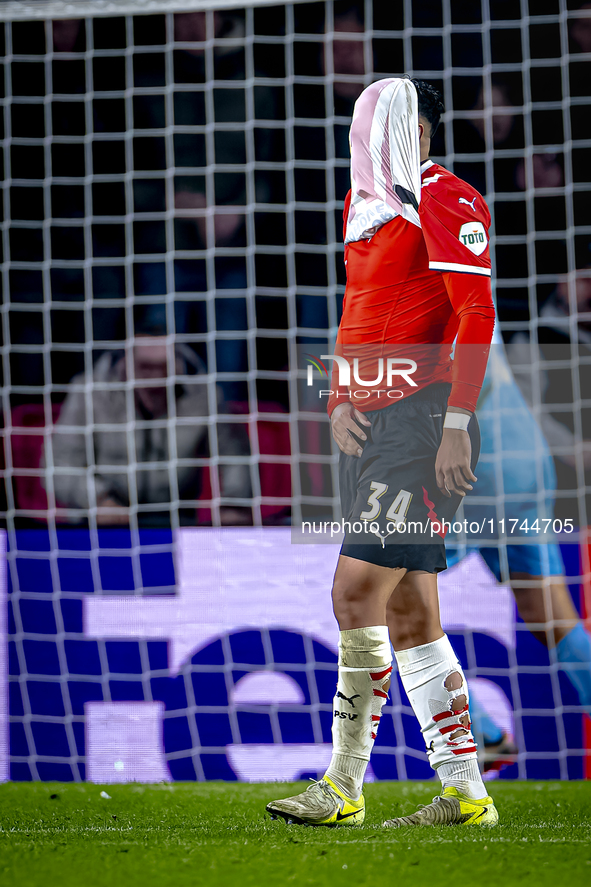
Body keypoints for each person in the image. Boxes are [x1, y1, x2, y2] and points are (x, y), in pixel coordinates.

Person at [266, 78, 497, 827]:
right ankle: (463, 793)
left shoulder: (444, 198)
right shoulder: (361, 206)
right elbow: (354, 313)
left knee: (353, 592)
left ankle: (341, 785)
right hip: (368, 423)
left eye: (385, 127)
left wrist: (456, 421)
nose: (367, 139)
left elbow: (476, 312)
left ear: (423, 135)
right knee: (408, 613)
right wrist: (337, 396)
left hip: (420, 422)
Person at [446, 333, 591, 769]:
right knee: (553, 615)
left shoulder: (415, 280)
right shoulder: (474, 271)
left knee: (385, 598)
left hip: (469, 465)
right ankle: (484, 734)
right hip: (522, 454)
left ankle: (481, 732)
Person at [45, 326, 251, 527]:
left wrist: (234, 504)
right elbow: (58, 464)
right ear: (125, 364)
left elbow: (236, 456)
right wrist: (99, 499)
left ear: (177, 364)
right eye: (145, 367)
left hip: (176, 523)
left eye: (163, 366)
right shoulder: (88, 393)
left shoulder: (205, 396)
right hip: (98, 525)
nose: (155, 377)